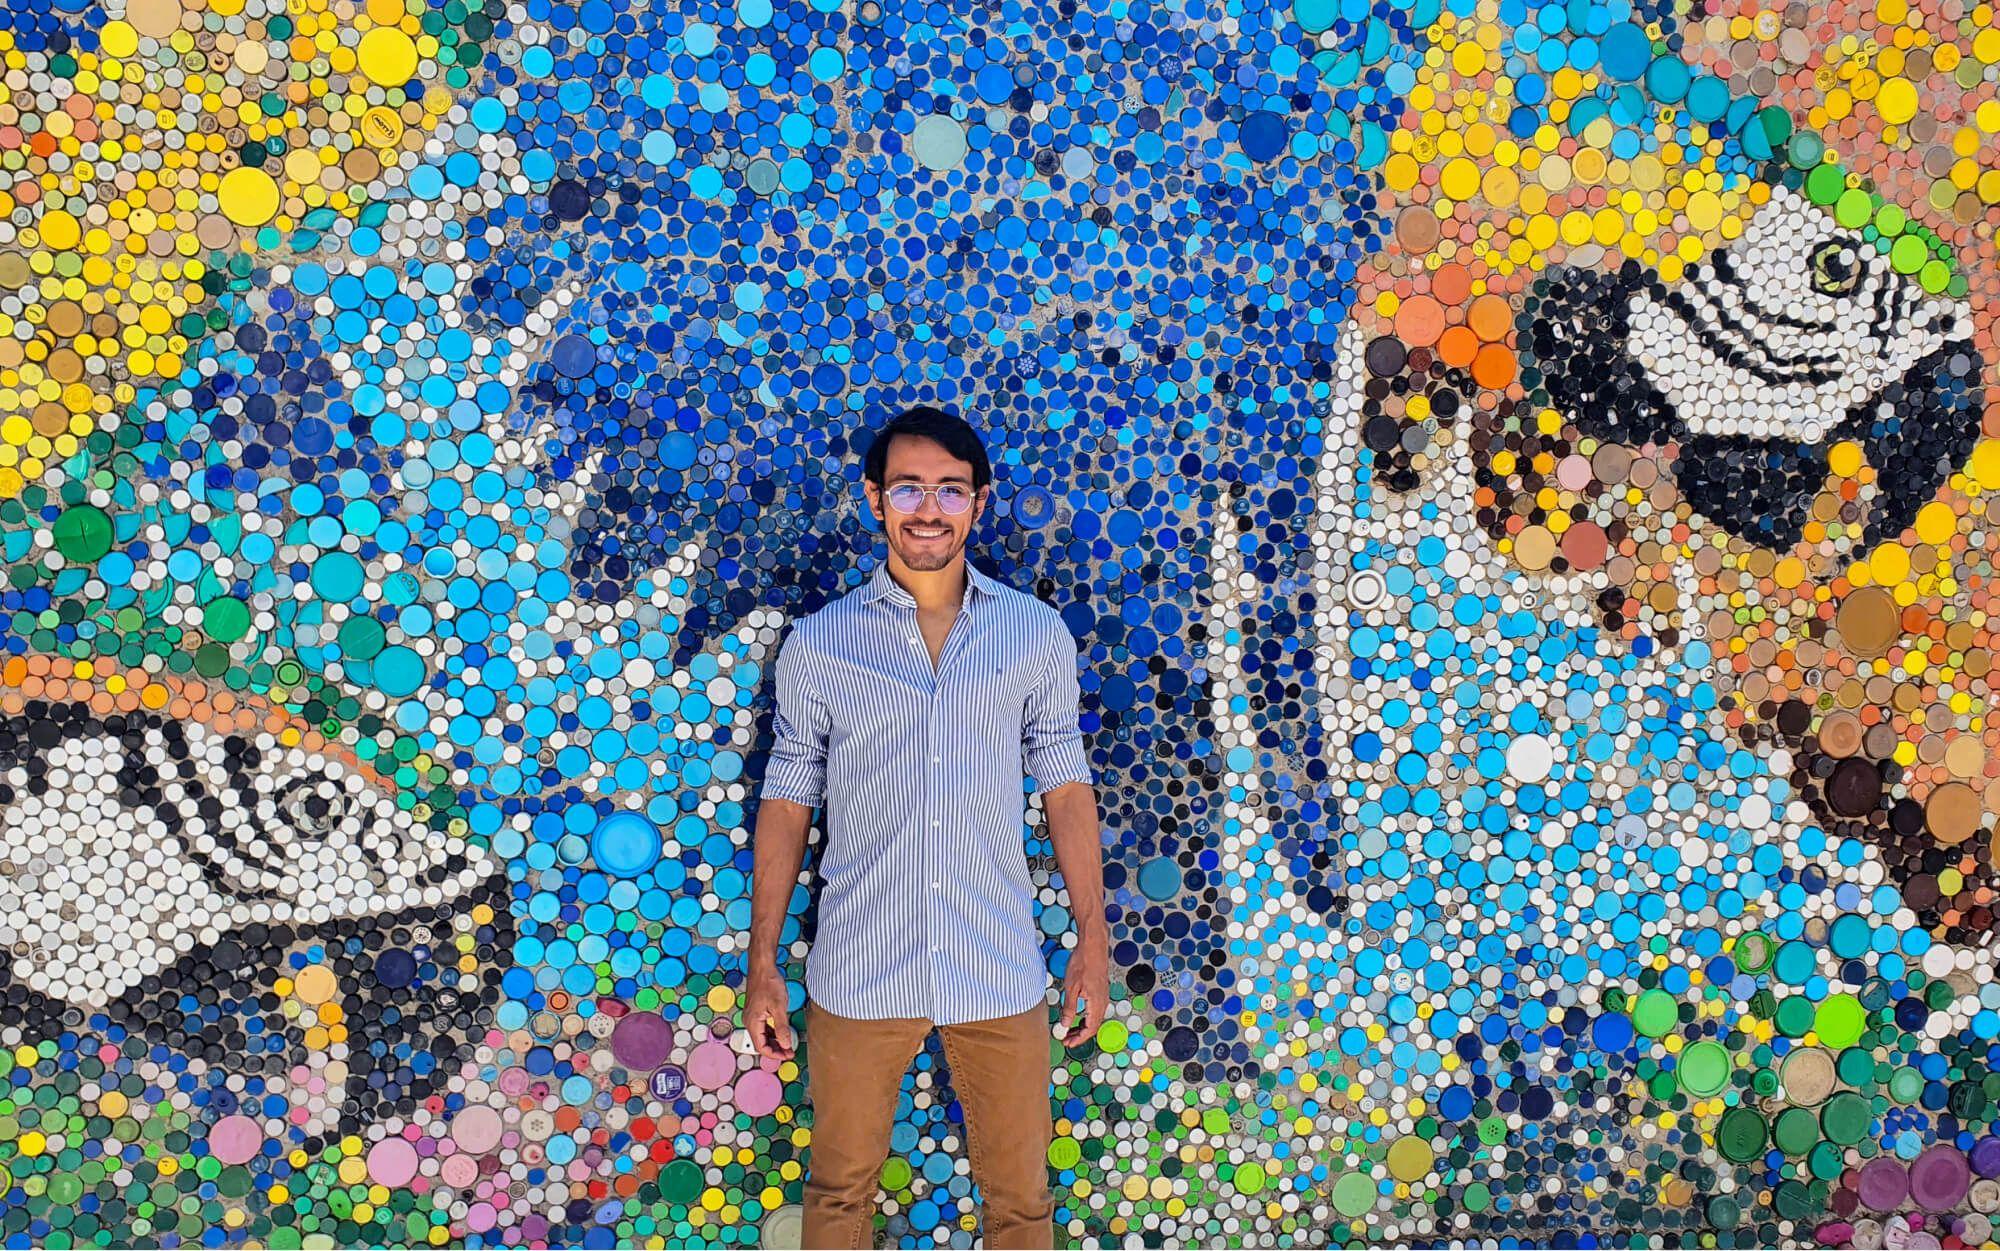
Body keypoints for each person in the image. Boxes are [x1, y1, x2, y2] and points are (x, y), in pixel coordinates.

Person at [742, 404, 1108, 1250]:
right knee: (838, 1196)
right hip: (859, 969)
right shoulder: (821, 643)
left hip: (997, 967)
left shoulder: (1032, 634)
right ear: (876, 499)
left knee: (1022, 1204)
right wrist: (763, 963)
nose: (929, 509)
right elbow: (787, 802)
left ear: (979, 501)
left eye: (950, 489)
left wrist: (1092, 939)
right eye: (908, 488)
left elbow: (1066, 786)